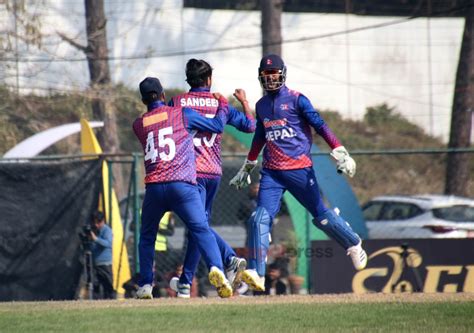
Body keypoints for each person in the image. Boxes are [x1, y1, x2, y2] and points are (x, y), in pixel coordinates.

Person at [229, 54, 368, 292]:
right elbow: (260, 137)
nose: (270, 79)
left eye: (274, 74)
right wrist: (249, 164)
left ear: (282, 74)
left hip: (299, 170)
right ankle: (257, 273)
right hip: (272, 172)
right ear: (261, 77)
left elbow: (320, 126)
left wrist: (340, 150)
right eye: (266, 75)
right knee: (258, 218)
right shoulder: (262, 105)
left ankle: (353, 242)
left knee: (321, 216)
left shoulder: (297, 100)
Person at [133, 76, 233, 299]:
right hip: (182, 185)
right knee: (200, 228)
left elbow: (154, 127)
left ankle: (145, 285)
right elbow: (217, 125)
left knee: (147, 236)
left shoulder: (138, 124)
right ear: (163, 96)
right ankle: (217, 268)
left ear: (143, 100)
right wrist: (223, 105)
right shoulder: (182, 113)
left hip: (155, 188)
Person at [167, 59, 256, 297]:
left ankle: (227, 260)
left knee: (197, 226)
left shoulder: (177, 102)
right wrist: (245, 102)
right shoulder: (219, 102)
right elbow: (250, 126)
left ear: (188, 80)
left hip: (188, 175)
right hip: (213, 173)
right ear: (209, 80)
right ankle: (185, 282)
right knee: (198, 227)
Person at [90, 211, 116, 299]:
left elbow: (108, 243)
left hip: (105, 264)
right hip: (96, 264)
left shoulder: (107, 230)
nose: (96, 225)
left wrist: (95, 239)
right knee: (96, 285)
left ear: (103, 221)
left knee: (108, 285)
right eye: (95, 222)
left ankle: (112, 302)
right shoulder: (94, 231)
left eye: (98, 222)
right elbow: (93, 246)